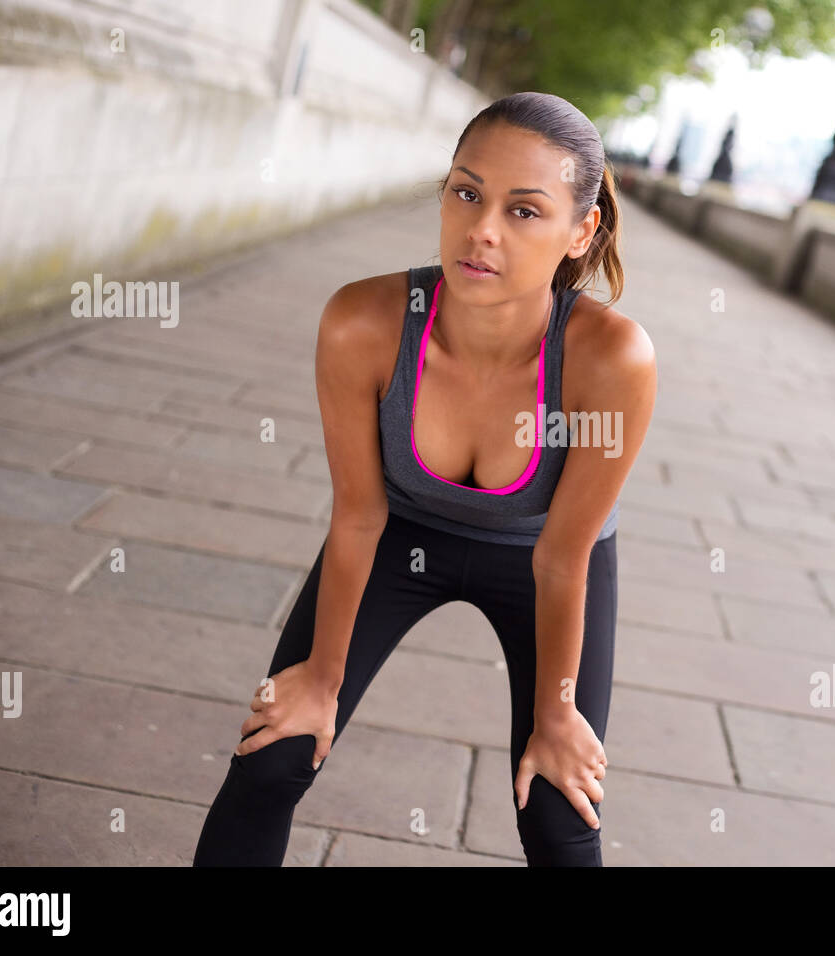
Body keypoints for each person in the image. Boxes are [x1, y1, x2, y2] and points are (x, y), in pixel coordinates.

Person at [192, 91, 657, 867]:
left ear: (582, 232)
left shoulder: (612, 359)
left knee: (555, 808)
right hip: (396, 532)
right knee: (273, 755)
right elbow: (357, 518)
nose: (482, 230)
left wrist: (556, 715)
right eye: (467, 193)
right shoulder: (363, 321)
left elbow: (561, 559)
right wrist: (320, 679)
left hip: (543, 558)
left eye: (525, 211)